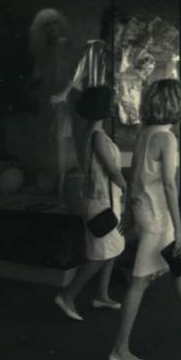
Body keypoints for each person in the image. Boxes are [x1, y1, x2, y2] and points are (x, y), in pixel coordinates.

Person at [108, 79, 181, 360]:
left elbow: (133, 176)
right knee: (139, 282)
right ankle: (120, 350)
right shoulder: (167, 139)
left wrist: (129, 215)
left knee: (178, 269)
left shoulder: (145, 133)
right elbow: (170, 187)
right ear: (177, 104)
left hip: (145, 211)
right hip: (159, 217)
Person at [54, 86, 125, 322]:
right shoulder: (98, 137)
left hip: (103, 201)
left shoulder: (93, 134)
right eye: (112, 102)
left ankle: (102, 295)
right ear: (103, 108)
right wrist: (131, 189)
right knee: (98, 255)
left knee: (112, 249)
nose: (116, 106)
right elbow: (113, 171)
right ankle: (67, 296)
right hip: (101, 203)